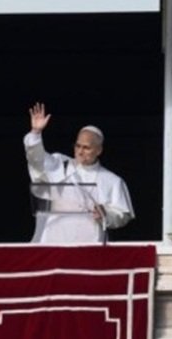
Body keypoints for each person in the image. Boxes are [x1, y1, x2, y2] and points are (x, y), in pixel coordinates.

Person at [24, 102, 134, 244]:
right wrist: (36, 133)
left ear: (99, 150)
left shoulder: (112, 180)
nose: (80, 151)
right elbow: (36, 161)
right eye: (78, 145)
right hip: (55, 240)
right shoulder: (59, 164)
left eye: (86, 148)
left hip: (90, 242)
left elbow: (122, 215)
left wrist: (105, 214)